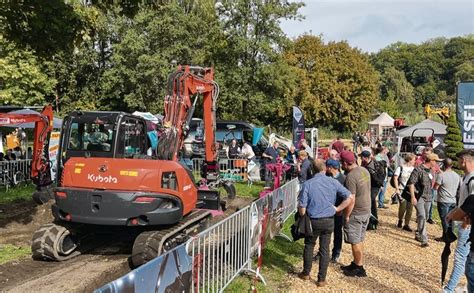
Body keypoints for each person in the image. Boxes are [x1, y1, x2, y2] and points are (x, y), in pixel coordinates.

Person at [297, 159, 354, 287]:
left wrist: (303, 215)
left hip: (313, 219)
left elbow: (302, 208)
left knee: (309, 245)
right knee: (324, 248)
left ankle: (306, 273)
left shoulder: (308, 184)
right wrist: (338, 208)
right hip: (329, 220)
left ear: (312, 170)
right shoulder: (333, 182)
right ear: (325, 169)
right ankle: (321, 279)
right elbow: (350, 197)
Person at [445, 149, 474, 292]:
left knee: (460, 259)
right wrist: (452, 213)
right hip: (463, 223)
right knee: (466, 259)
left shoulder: (472, 179)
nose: (458, 163)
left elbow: (471, 204)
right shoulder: (466, 178)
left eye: (459, 160)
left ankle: (449, 289)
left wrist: (465, 221)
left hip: (467, 226)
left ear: (464, 161)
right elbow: (463, 202)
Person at [339, 150, 371, 277]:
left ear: (346, 163)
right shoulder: (364, 170)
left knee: (354, 241)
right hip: (366, 210)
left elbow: (350, 199)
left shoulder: (351, 177)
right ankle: (357, 262)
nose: (341, 165)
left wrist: (346, 215)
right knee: (360, 238)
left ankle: (359, 268)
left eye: (342, 162)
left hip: (356, 212)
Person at [406, 153, 443, 247]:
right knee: (421, 216)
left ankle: (418, 233)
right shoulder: (418, 169)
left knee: (425, 217)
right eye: (436, 161)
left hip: (429, 197)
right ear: (431, 161)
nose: (437, 163)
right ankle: (424, 240)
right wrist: (412, 197)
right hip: (419, 197)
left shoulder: (432, 170)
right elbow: (411, 183)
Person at [434, 158, 461, 241]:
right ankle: (450, 235)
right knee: (450, 220)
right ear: (452, 165)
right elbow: (459, 187)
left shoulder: (442, 175)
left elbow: (435, 187)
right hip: (453, 200)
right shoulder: (457, 175)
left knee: (445, 220)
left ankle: (446, 237)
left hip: (443, 200)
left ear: (443, 165)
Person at [326, 159, 346, 262]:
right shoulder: (326, 176)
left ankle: (336, 252)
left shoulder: (343, 179)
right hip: (327, 208)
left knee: (338, 232)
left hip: (338, 209)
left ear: (330, 167)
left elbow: (346, 195)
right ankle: (323, 252)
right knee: (325, 232)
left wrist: (341, 208)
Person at [360, 150, 385, 230]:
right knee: (369, 202)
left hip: (375, 186)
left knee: (371, 200)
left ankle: (373, 221)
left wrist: (379, 183)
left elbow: (380, 176)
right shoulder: (364, 164)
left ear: (365, 158)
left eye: (361, 157)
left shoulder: (374, 165)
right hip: (367, 185)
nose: (360, 158)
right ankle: (369, 221)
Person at [393, 153, 416, 231]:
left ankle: (406, 224)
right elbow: (395, 178)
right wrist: (397, 188)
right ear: (409, 160)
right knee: (403, 206)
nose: (415, 161)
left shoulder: (414, 169)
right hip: (402, 189)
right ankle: (400, 219)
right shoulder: (401, 167)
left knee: (410, 208)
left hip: (411, 190)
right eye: (414, 160)